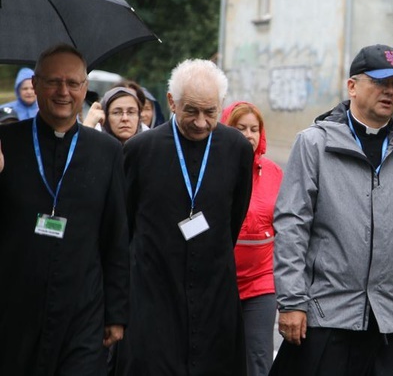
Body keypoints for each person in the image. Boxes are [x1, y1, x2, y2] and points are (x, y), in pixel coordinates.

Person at [271, 44, 393, 376]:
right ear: (352, 86)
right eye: (381, 82)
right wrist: (292, 302)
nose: (390, 91)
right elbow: (292, 228)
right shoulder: (314, 144)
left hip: (391, 319)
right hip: (328, 313)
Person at [116, 59, 254, 375]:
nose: (202, 123)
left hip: (214, 292)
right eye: (191, 111)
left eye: (211, 112)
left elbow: (234, 217)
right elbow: (126, 222)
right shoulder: (140, 149)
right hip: (154, 291)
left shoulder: (236, 148)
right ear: (171, 102)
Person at [0, 43, 129, 375]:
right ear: (37, 84)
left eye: (73, 83)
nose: (63, 91)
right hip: (14, 309)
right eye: (54, 81)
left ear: (85, 89)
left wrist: (116, 312)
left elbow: (115, 235)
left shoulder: (107, 152)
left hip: (81, 313)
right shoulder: (6, 142)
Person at [221, 101, 283, 376]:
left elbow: (287, 225)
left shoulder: (273, 172)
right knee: (218, 355)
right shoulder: (212, 169)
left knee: (258, 358)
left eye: (254, 129)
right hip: (220, 282)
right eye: (240, 128)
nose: (248, 135)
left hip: (261, 282)